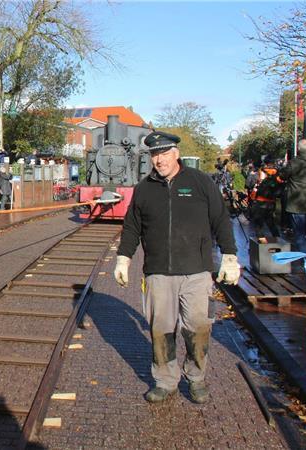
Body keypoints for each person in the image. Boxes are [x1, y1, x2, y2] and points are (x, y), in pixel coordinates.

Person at [114, 131, 238, 404]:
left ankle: (196, 377)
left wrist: (230, 255)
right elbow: (132, 227)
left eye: (165, 153)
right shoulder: (144, 188)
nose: (160, 160)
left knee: (198, 327)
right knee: (161, 329)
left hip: (196, 272)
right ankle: (165, 381)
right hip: (158, 273)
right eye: (155, 155)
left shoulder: (201, 182)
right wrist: (124, 258)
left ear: (176, 154)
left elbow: (221, 220)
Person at [280, 139, 306, 258]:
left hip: (296, 203)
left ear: (298, 149)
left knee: (299, 233)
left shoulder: (294, 163)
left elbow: (283, 175)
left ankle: (305, 260)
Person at [248, 157, 283, 238]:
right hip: (271, 202)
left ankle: (261, 245)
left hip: (260, 201)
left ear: (265, 163)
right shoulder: (277, 173)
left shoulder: (260, 172)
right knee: (271, 222)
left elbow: (250, 184)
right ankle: (278, 241)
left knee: (258, 224)